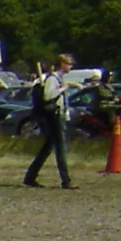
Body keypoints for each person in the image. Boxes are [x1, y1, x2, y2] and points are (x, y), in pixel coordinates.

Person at [23, 54, 74, 188]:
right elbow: (48, 96)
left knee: (47, 149)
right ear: (62, 64)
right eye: (69, 63)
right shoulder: (52, 79)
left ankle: (30, 177)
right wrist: (62, 89)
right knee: (60, 148)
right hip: (54, 117)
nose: (71, 66)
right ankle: (65, 180)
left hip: (57, 116)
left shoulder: (57, 79)